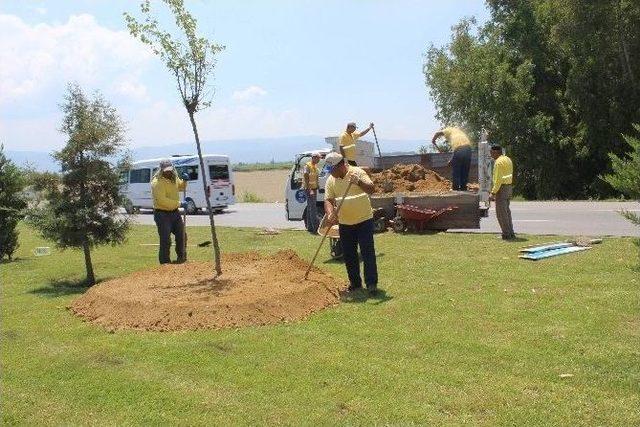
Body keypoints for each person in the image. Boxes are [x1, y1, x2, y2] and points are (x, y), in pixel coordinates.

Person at [324, 152, 379, 295]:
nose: (330, 173)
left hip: (364, 220)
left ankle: (371, 284)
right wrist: (330, 213)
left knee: (367, 253)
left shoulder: (357, 173)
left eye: (331, 169)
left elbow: (372, 189)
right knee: (349, 255)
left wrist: (359, 182)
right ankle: (355, 283)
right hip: (345, 223)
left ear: (341, 165)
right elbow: (328, 200)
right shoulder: (331, 180)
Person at [151, 159, 188, 264]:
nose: (169, 172)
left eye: (170, 169)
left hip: (174, 213)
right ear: (161, 170)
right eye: (166, 170)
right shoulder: (156, 183)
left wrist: (184, 181)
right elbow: (162, 201)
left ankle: (182, 258)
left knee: (182, 235)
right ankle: (165, 262)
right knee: (166, 240)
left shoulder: (174, 178)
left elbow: (180, 186)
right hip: (162, 214)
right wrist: (180, 204)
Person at [432, 126, 472, 191]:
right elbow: (457, 151)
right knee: (465, 170)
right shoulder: (459, 133)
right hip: (468, 148)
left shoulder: (449, 130)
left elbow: (437, 133)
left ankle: (455, 189)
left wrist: (433, 139)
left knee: (456, 170)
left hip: (459, 149)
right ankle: (463, 188)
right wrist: (452, 160)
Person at [489, 145, 515, 240]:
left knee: (501, 213)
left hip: (502, 189)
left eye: (491, 152)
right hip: (508, 187)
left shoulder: (498, 162)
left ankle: (506, 234)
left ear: (496, 152)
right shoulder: (507, 159)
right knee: (507, 212)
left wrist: (493, 192)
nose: (490, 154)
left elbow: (498, 180)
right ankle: (511, 232)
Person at [303, 152, 321, 233]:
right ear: (314, 157)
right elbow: (306, 176)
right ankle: (315, 229)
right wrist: (310, 190)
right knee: (313, 209)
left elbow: (315, 178)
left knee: (310, 208)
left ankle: (310, 227)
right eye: (318, 158)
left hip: (314, 189)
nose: (319, 160)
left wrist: (317, 186)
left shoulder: (315, 167)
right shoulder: (307, 166)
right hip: (309, 189)